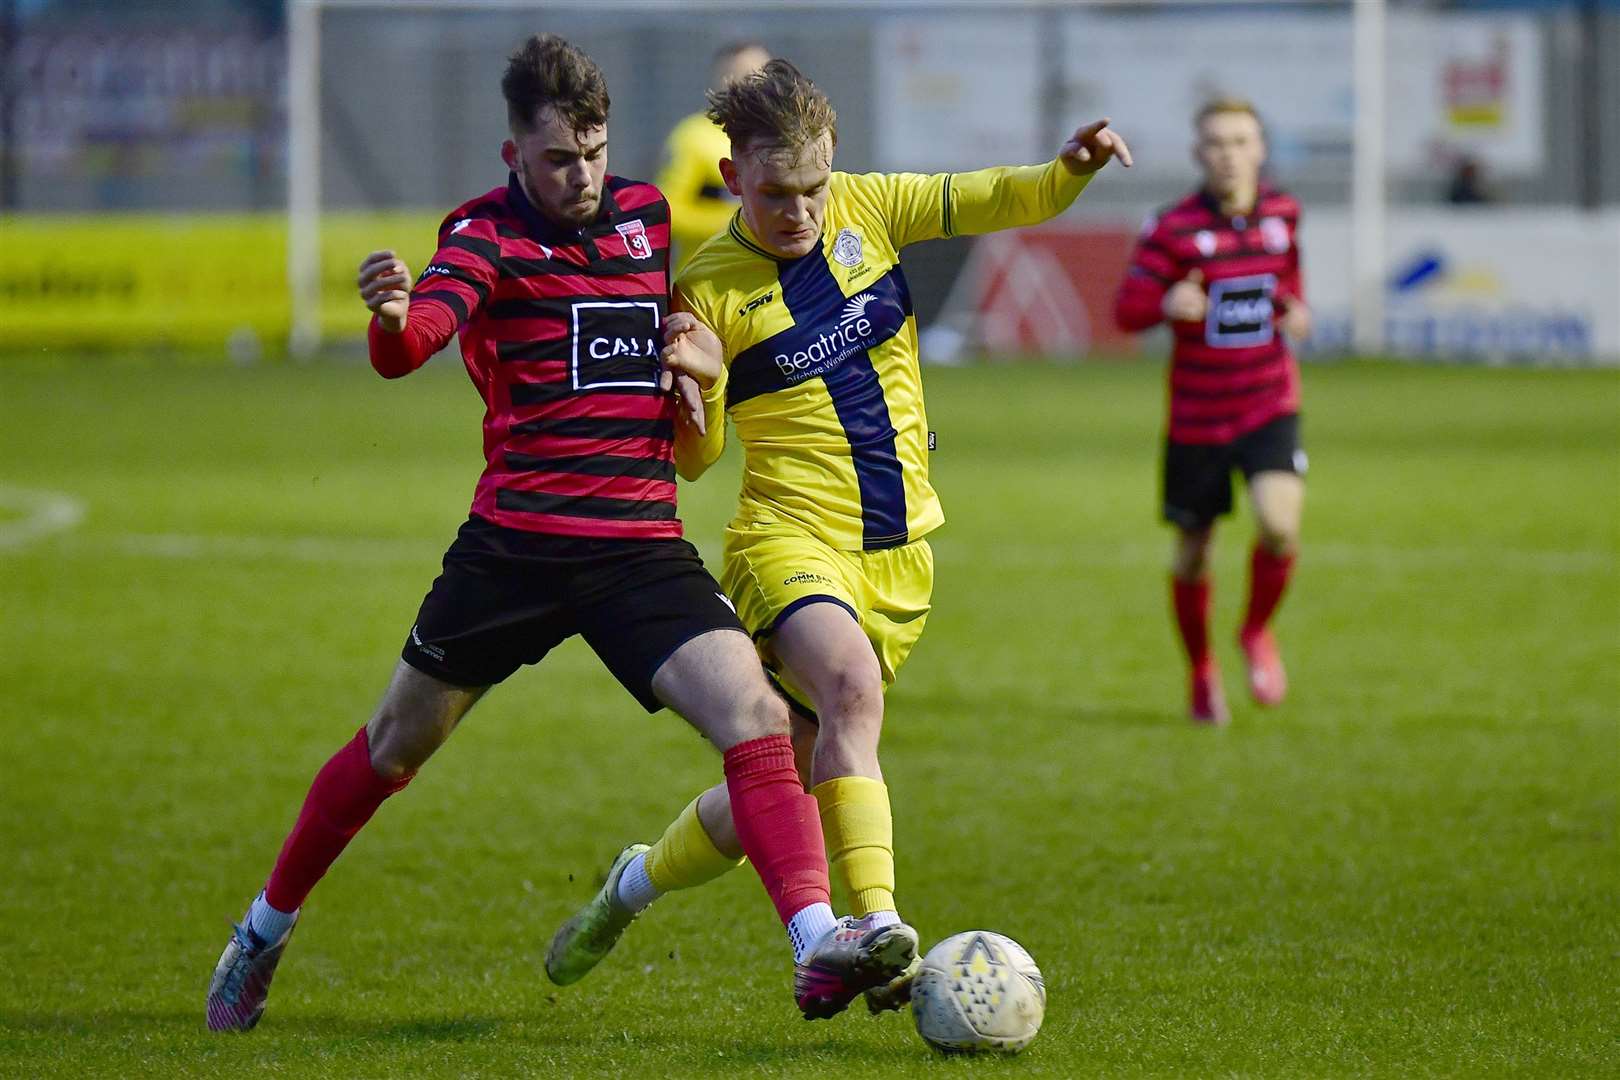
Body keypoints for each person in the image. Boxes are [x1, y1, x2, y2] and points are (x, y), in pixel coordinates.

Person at [206, 34, 908, 1033]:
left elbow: (677, 347)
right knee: (395, 746)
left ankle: (817, 939)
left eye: (593, 152)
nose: (580, 177)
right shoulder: (482, 238)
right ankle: (262, 933)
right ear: (512, 156)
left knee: (755, 719)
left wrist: (696, 366)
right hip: (516, 549)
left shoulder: (646, 216)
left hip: (636, 546)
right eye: (555, 161)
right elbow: (411, 348)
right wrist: (390, 316)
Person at [544, 58, 1131, 1011]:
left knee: (787, 781)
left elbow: (993, 197)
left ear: (836, 167)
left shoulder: (874, 209)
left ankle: (630, 885)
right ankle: (871, 929)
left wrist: (1070, 168)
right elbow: (696, 461)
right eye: (776, 193)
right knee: (851, 689)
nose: (800, 211)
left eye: (814, 188)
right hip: (785, 541)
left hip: (899, 556)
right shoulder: (708, 291)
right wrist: (700, 378)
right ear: (734, 178)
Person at [1113, 97, 1310, 726]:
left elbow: (1288, 284)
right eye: (1217, 143)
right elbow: (1126, 309)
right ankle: (1201, 670)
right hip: (1198, 416)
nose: (1229, 153)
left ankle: (1255, 631)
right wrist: (1166, 301)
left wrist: (1296, 310)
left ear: (1260, 148)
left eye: (1241, 141)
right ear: (1200, 154)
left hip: (1268, 402)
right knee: (1194, 553)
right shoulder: (1171, 227)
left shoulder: (1283, 214)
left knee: (1280, 526)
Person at [656, 41, 771, 273]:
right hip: (708, 279)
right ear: (722, 80)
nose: (756, 86)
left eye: (764, 75)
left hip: (767, 281)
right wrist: (732, 221)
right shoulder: (693, 137)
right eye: (745, 76)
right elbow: (665, 210)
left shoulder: (779, 137)